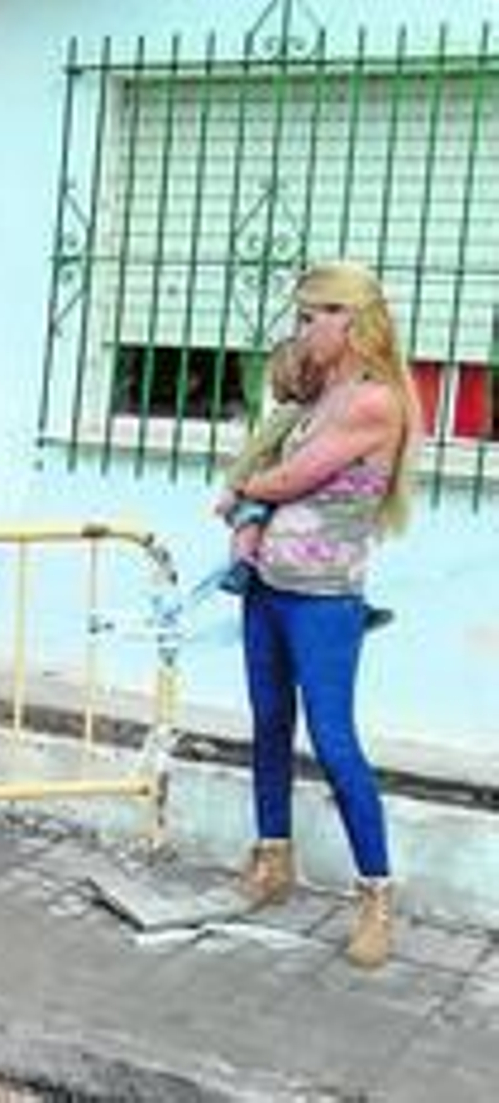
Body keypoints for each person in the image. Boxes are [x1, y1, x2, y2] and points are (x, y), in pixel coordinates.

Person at [230, 261, 419, 970]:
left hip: (325, 599)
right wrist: (248, 518)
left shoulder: (374, 402)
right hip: (269, 588)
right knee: (269, 725)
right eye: (301, 316)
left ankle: (375, 895)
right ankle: (272, 860)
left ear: (352, 320)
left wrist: (244, 486)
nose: (303, 328)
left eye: (314, 316)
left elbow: (288, 477)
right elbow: (274, 472)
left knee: (335, 741)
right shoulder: (318, 394)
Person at [215, 341, 396, 622]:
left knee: (329, 544)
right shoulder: (292, 411)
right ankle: (240, 566)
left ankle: (351, 607)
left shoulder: (328, 413)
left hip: (293, 490)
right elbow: (256, 450)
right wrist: (233, 488)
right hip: (263, 487)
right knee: (251, 522)